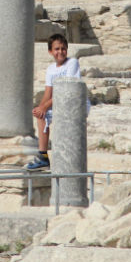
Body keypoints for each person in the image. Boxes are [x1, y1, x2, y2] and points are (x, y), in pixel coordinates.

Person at [26, 33, 79, 170]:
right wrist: (40, 108)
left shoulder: (72, 63)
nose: (60, 52)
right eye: (57, 49)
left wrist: (45, 107)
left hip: (72, 103)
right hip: (58, 103)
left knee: (45, 112)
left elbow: (65, 91)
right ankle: (43, 156)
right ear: (50, 51)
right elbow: (48, 92)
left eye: (63, 48)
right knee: (41, 116)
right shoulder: (50, 69)